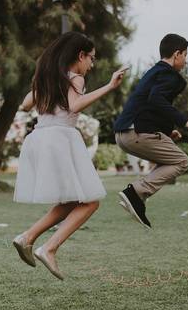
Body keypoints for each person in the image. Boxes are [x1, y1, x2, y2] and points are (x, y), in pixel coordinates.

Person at [12, 32, 128, 280]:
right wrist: (109, 86)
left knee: (70, 202)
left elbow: (24, 104)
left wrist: (45, 85)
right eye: (91, 59)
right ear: (80, 55)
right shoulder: (75, 78)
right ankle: (49, 248)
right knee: (91, 201)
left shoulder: (48, 78)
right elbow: (74, 106)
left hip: (41, 138)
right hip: (61, 139)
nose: (92, 64)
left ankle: (27, 238)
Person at [111, 33, 188, 228]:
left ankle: (137, 198)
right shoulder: (172, 76)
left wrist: (166, 130)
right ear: (177, 54)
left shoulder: (152, 72)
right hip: (136, 133)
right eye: (185, 55)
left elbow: (148, 104)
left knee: (168, 160)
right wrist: (184, 121)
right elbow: (156, 99)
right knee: (181, 161)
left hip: (123, 133)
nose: (186, 60)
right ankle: (136, 192)